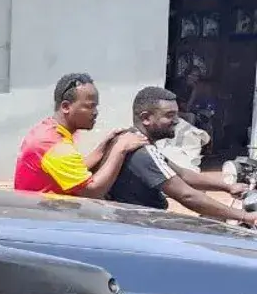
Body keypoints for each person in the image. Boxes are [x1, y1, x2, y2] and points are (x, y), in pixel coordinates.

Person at [107, 86, 257, 225]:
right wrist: (244, 216)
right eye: (169, 115)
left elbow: (183, 174)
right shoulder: (141, 151)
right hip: (142, 223)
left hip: (140, 219)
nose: (177, 121)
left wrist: (228, 187)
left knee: (213, 218)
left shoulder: (135, 139)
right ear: (146, 118)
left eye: (176, 114)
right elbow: (186, 195)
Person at [12, 73, 146, 197]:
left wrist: (102, 148)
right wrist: (120, 149)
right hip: (45, 217)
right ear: (66, 107)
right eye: (89, 106)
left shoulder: (49, 130)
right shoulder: (53, 146)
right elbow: (92, 192)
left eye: (96, 107)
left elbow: (74, 169)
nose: (95, 112)